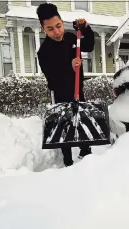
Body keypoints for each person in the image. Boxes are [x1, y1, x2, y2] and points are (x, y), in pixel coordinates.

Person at [36, 3, 94, 167]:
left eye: (58, 26)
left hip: (78, 90)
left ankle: (86, 153)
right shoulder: (44, 52)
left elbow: (89, 46)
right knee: (65, 126)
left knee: (81, 120)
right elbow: (52, 80)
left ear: (62, 22)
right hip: (61, 94)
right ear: (43, 29)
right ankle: (67, 160)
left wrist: (85, 29)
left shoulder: (71, 38)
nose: (56, 31)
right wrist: (70, 66)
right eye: (50, 29)